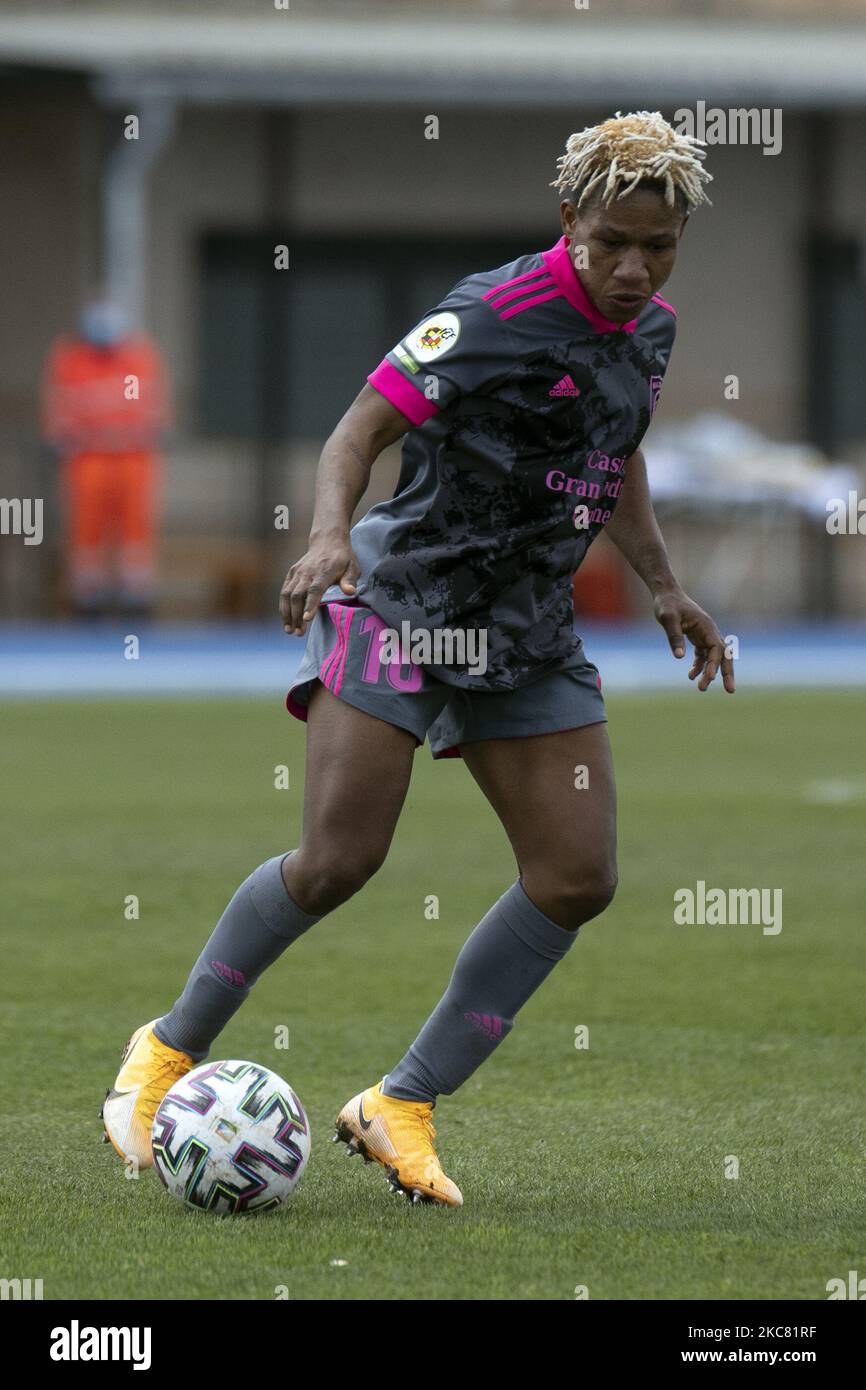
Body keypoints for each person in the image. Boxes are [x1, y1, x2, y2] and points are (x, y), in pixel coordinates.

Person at [102, 112, 734, 1207]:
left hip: (526, 630)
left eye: (658, 246)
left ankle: (400, 1103)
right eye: (612, 242)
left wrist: (663, 582)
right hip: (400, 603)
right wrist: (324, 535)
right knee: (339, 859)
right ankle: (164, 1050)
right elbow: (356, 431)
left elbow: (611, 451)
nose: (634, 268)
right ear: (567, 221)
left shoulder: (654, 333)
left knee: (577, 876)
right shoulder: (492, 310)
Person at [42, 298, 169, 617]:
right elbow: (60, 418)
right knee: (86, 526)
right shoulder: (71, 362)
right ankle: (88, 596)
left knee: (135, 526)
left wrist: (123, 434)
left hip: (132, 460)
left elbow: (154, 414)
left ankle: (135, 595)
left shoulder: (138, 359)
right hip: (89, 461)